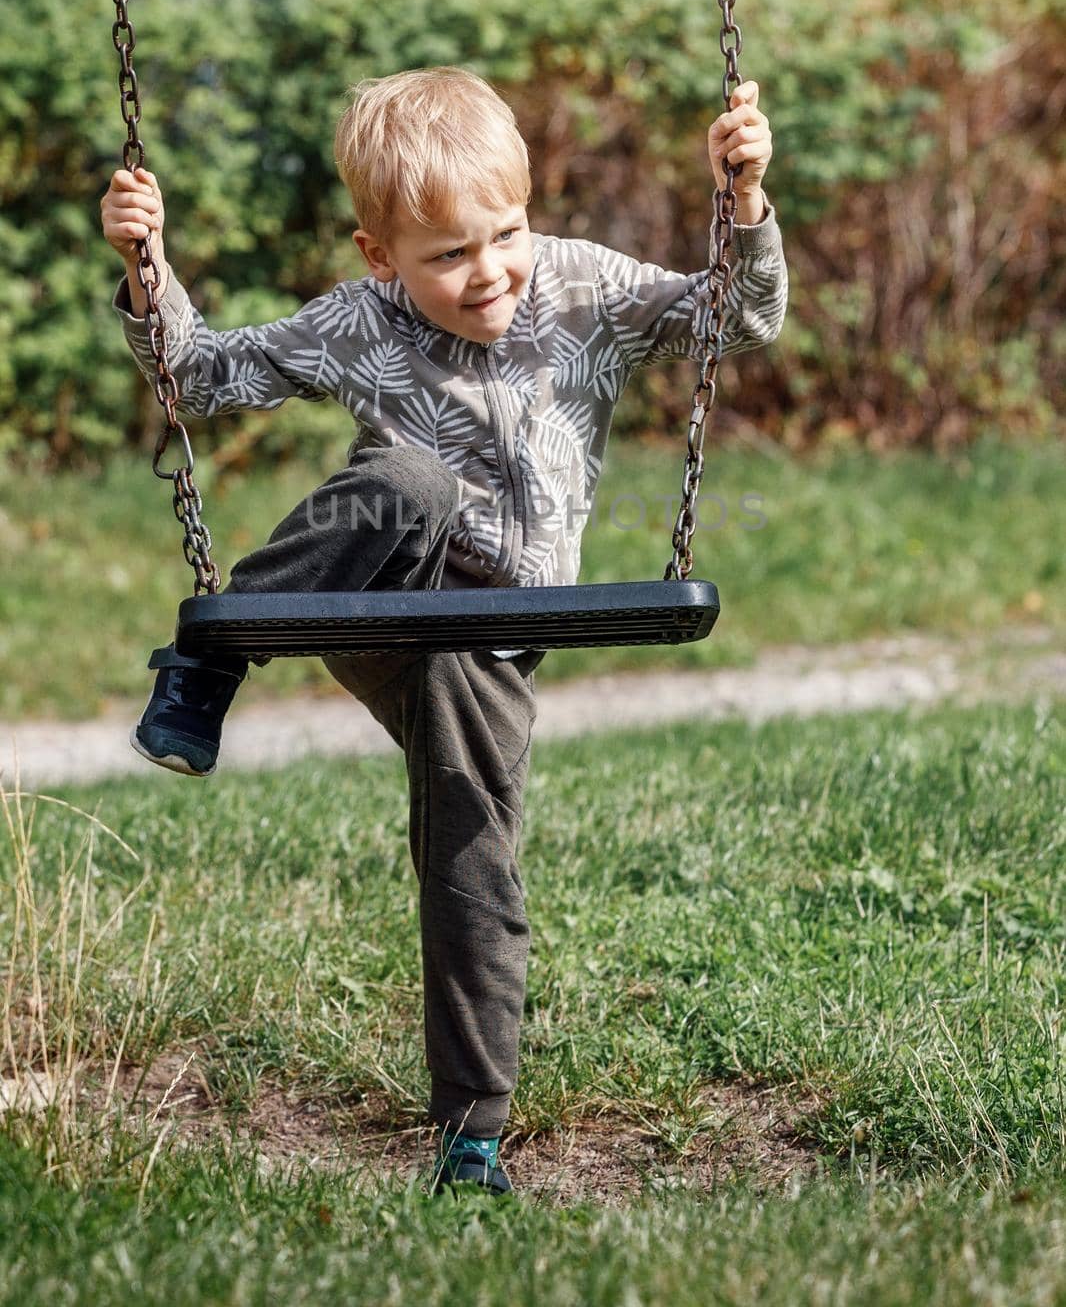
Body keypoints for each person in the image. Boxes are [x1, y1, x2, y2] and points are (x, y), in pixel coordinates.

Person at [103, 66, 787, 1196]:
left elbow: (739, 318)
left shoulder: (580, 288)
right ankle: (213, 657)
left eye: (504, 235)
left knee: (474, 855)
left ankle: (472, 1133)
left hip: (497, 637)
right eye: (448, 256)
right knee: (407, 478)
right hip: (382, 597)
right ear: (382, 257)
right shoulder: (357, 321)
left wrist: (744, 202)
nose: (489, 274)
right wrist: (147, 266)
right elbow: (198, 370)